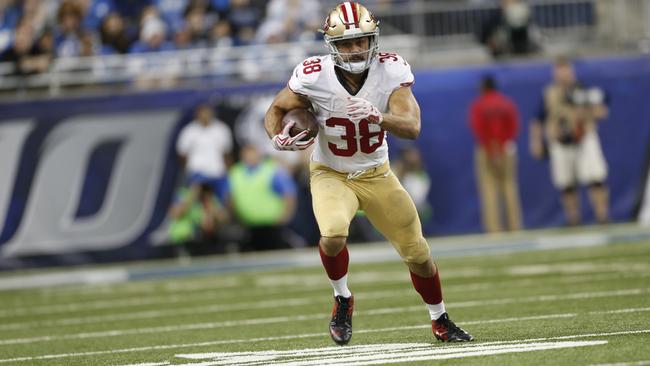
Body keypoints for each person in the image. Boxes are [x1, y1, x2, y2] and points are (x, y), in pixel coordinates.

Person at [264, 1, 473, 345]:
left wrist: (379, 116)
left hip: (377, 173)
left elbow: (412, 126)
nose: (355, 48)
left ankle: (440, 320)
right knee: (332, 235)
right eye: (346, 43)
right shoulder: (313, 74)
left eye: (360, 41)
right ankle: (343, 298)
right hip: (331, 172)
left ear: (372, 39)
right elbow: (277, 108)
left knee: (418, 254)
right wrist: (278, 137)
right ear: (332, 47)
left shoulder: (391, 70)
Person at [530, 57, 609, 225]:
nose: (562, 75)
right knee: (566, 184)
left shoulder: (582, 89)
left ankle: (602, 216)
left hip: (583, 138)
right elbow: (538, 119)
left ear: (571, 72)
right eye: (559, 71)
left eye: (565, 71)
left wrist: (585, 112)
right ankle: (573, 219)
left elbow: (602, 110)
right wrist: (536, 142)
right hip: (559, 141)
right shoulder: (549, 92)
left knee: (595, 178)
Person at [469, 75, 522, 233]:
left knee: (489, 189)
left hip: (485, 150)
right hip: (507, 149)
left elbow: (478, 129)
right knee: (509, 187)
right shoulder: (506, 103)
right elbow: (514, 127)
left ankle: (494, 230)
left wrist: (492, 150)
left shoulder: (478, 105)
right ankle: (515, 227)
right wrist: (502, 147)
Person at [226, 143, 303, 251]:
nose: (250, 157)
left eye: (252, 153)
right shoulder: (236, 172)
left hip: (272, 226)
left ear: (259, 154)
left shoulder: (272, 170)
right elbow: (230, 197)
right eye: (247, 154)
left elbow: (289, 194)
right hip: (248, 227)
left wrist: (285, 216)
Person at [177, 103, 234, 203]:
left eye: (207, 112)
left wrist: (228, 173)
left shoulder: (221, 129)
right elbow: (182, 155)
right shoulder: (189, 131)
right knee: (201, 202)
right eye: (202, 113)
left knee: (227, 199)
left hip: (218, 172)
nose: (205, 115)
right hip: (198, 173)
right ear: (197, 114)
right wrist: (189, 170)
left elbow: (227, 154)